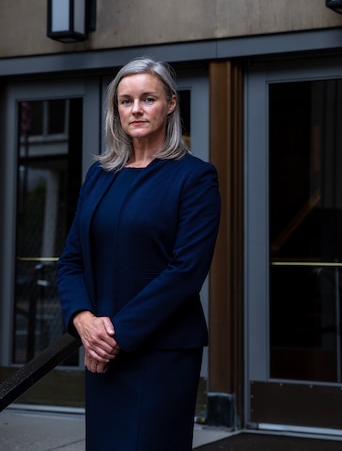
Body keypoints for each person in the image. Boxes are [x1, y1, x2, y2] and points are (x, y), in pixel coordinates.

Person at [56, 57, 221, 451]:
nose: (136, 110)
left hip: (160, 353)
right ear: (116, 109)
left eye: (148, 99)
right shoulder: (100, 175)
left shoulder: (195, 177)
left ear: (171, 104)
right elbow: (71, 260)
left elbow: (184, 273)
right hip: (102, 351)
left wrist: (114, 335)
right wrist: (82, 320)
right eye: (126, 101)